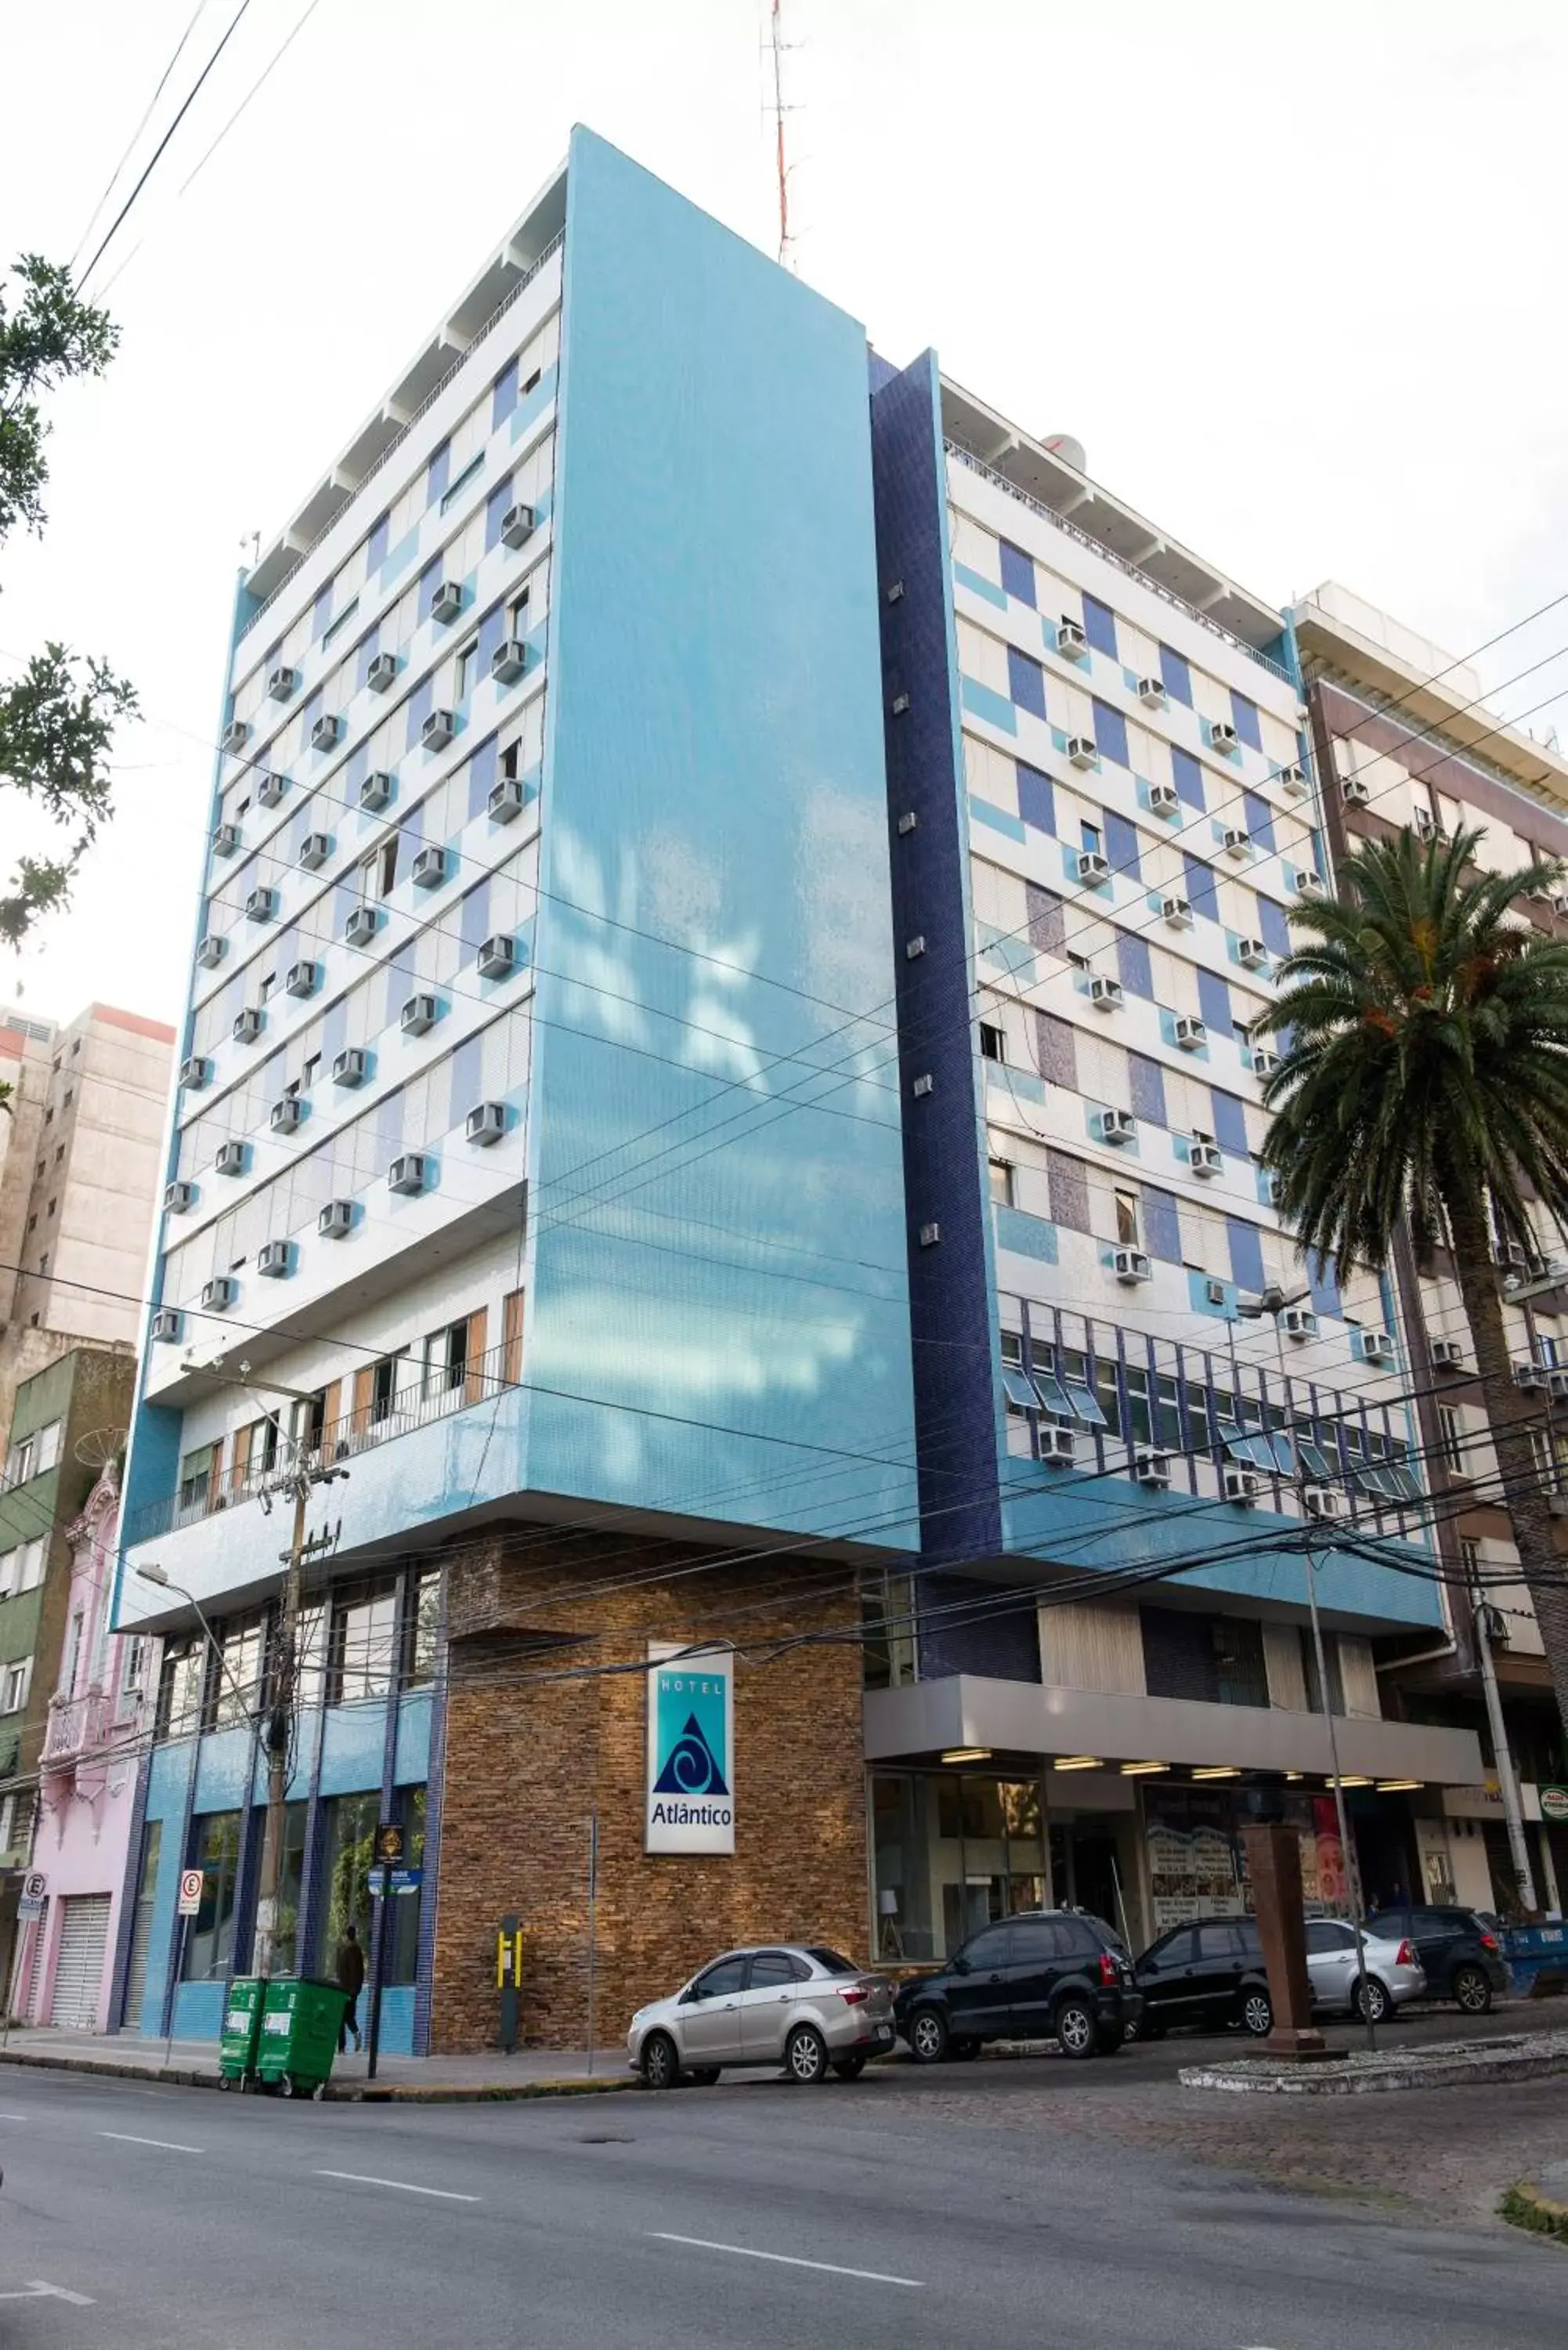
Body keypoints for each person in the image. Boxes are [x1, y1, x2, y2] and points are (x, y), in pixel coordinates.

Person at [335, 1922, 366, 2052]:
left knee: (341, 2017)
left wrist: (347, 1989)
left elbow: (348, 1973)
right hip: (353, 1990)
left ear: (347, 1937)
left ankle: (342, 2046)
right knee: (347, 2016)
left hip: (346, 1990)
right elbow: (360, 1972)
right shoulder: (357, 1952)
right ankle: (355, 2034)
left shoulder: (348, 1952)